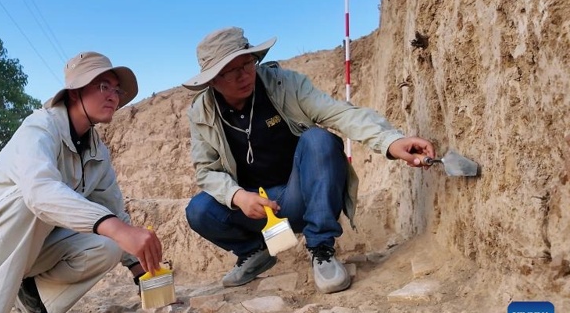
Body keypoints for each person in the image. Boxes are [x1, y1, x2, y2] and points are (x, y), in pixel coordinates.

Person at [182, 27, 434, 294]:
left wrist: (389, 141)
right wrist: (238, 196)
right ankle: (254, 252)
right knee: (199, 210)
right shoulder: (202, 112)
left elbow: (337, 113)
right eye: (230, 71)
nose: (244, 75)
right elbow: (206, 171)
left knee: (318, 139)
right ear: (212, 81)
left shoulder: (284, 84)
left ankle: (321, 248)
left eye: (247, 63)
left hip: (301, 194)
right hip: (255, 207)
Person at [0, 51, 162, 313]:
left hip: (36, 247)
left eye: (117, 90)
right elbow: (41, 192)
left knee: (108, 246)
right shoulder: (39, 128)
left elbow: (113, 210)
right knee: (32, 199)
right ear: (76, 91)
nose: (114, 97)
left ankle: (36, 303)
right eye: (104, 86)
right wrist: (115, 227)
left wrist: (140, 270)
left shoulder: (97, 151)